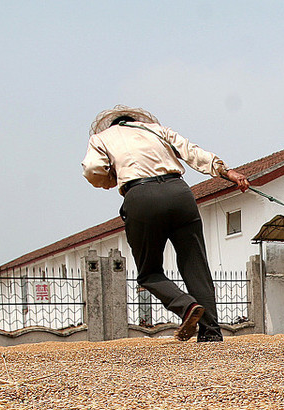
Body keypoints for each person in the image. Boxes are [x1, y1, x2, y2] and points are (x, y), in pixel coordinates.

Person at [82, 105, 250, 342]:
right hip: (180, 193)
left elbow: (92, 169)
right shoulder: (158, 131)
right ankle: (211, 332)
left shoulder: (101, 138)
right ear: (135, 121)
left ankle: (186, 306)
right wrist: (226, 172)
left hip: (141, 196)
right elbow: (192, 152)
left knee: (149, 272)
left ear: (112, 125)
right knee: (195, 265)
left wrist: (111, 178)